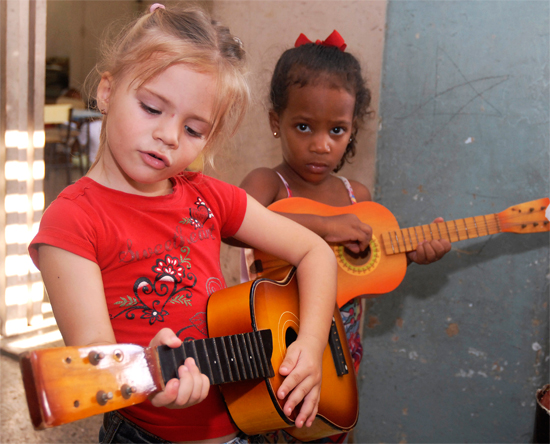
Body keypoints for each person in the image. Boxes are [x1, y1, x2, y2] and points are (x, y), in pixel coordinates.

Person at [28, 5, 338, 444]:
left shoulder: (208, 196)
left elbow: (316, 252)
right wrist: (149, 377)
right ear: (107, 90)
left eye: (194, 130)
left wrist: (308, 344)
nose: (170, 136)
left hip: (243, 425)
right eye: (152, 108)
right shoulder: (73, 220)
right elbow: (97, 364)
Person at [239, 30, 451, 443]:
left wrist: (411, 254)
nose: (321, 145)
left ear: (353, 130)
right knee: (271, 429)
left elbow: (361, 267)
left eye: (336, 131)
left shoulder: (359, 198)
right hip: (274, 341)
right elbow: (235, 223)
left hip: (340, 346)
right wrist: (327, 226)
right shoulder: (267, 183)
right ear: (274, 122)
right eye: (304, 126)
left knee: (330, 427)